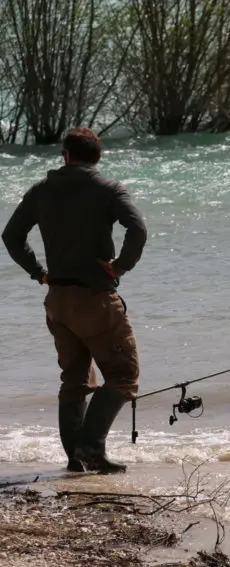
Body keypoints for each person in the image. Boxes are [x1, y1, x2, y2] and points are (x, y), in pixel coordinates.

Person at [2, 127, 147, 474]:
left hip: (58, 300)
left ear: (66, 154)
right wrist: (119, 267)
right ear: (97, 157)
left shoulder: (41, 190)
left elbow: (10, 235)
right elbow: (137, 229)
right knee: (124, 374)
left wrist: (38, 272)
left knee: (74, 380)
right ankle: (91, 447)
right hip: (95, 298)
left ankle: (75, 459)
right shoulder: (108, 189)